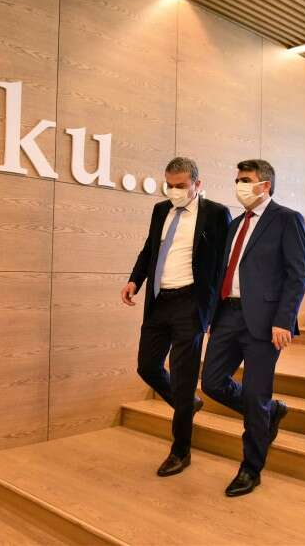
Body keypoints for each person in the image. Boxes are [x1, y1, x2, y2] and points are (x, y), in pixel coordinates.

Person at [201, 159, 305, 497]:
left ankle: (251, 469)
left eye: (245, 180)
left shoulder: (287, 219)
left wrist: (284, 320)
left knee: (255, 393)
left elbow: (298, 274)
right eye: (237, 179)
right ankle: (269, 413)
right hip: (228, 316)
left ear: (265, 184)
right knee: (212, 382)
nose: (239, 185)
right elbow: (225, 272)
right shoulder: (235, 224)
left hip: (265, 322)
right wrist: (212, 316)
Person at [122, 157, 231, 477]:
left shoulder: (216, 213)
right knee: (147, 366)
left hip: (191, 303)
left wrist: (214, 311)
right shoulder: (160, 210)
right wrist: (134, 280)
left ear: (197, 184)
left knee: (183, 379)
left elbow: (224, 264)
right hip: (159, 302)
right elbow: (149, 250)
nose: (174, 191)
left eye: (181, 186)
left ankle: (180, 451)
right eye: (169, 185)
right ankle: (187, 404)